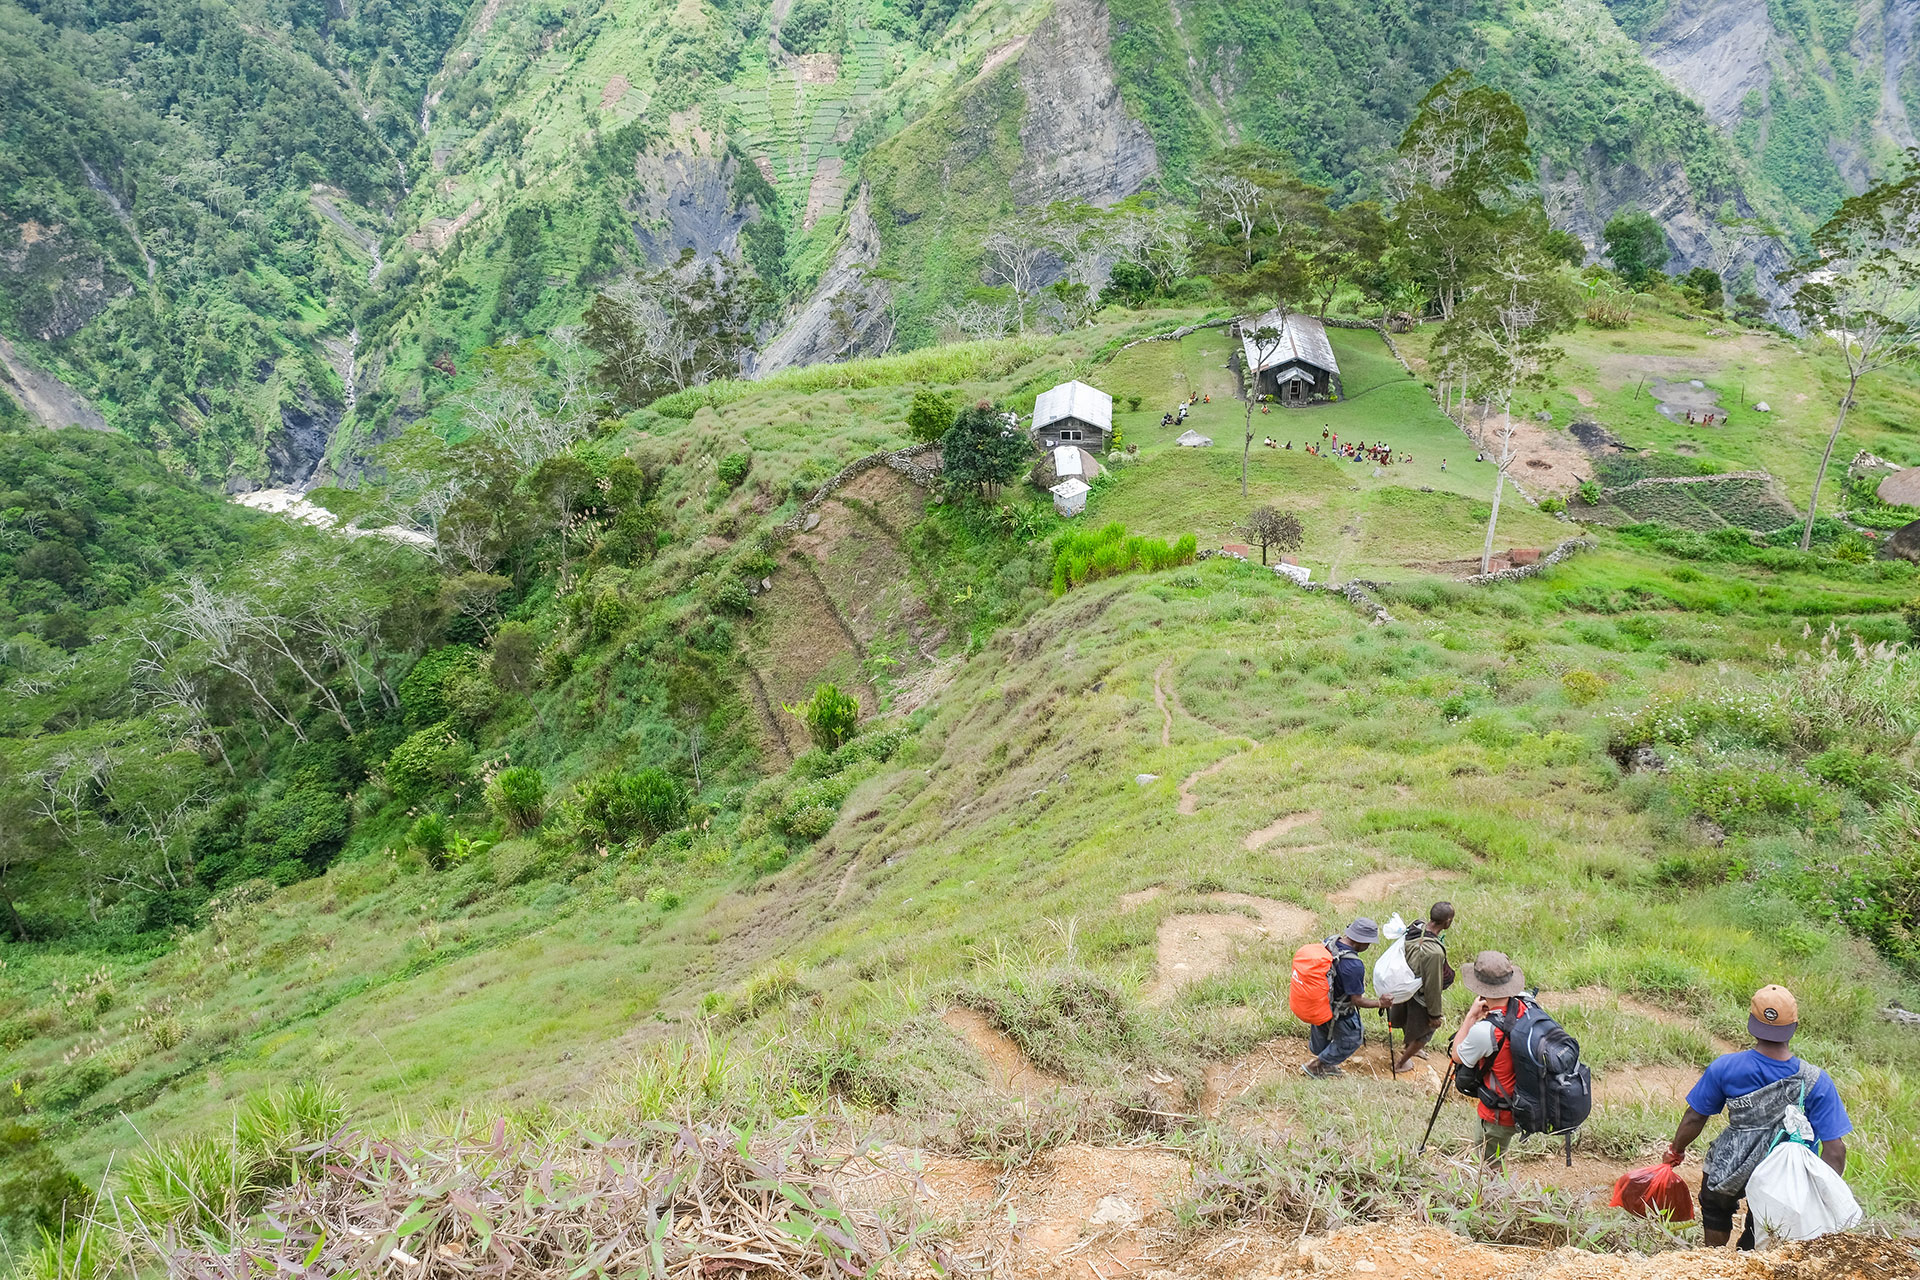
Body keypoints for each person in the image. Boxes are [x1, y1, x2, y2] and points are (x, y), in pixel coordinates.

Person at [1664, 985, 1851, 1250]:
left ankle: (1712, 1259)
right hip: (1784, 1177)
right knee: (1766, 1226)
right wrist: (1821, 1193)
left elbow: (1695, 1117)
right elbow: (1835, 1150)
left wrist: (1676, 1150)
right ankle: (1750, 1255)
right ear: (1794, 1027)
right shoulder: (1816, 1082)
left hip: (1731, 1165)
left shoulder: (1726, 1067)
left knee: (1716, 1205)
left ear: (1752, 1025)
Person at [1448, 950, 1532, 1163]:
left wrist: (1471, 1016)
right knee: (1497, 1157)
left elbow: (1457, 1056)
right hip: (1525, 1103)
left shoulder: (1485, 1031)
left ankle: (1493, 1195)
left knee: (1489, 1168)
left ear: (1480, 987)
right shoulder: (1527, 1005)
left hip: (1498, 1114)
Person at [1302, 918, 1390, 1078]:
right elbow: (1357, 1000)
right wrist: (1380, 1003)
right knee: (1352, 1038)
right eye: (1369, 943)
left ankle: (1325, 1061)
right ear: (1361, 942)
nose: (1369, 946)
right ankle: (1317, 1066)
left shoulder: (1330, 942)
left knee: (1324, 1032)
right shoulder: (1353, 965)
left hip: (1319, 1002)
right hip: (1339, 1010)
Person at [1389, 902, 1455, 1075]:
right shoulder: (1434, 952)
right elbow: (1432, 985)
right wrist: (1435, 1014)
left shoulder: (1415, 927)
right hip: (1419, 993)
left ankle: (1410, 1048)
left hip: (1404, 985)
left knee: (1406, 1018)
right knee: (1425, 1033)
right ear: (1447, 922)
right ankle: (1401, 1063)